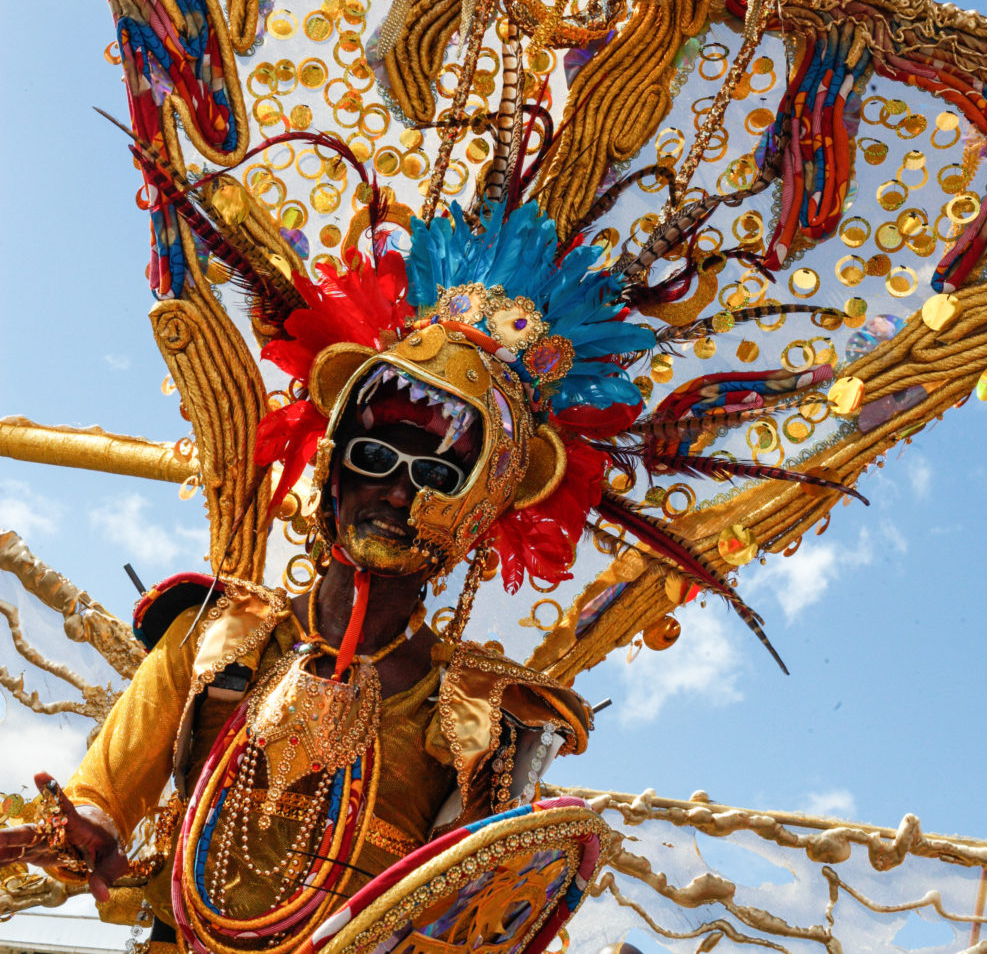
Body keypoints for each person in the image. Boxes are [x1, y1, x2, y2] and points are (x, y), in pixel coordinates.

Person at [0, 196, 653, 954]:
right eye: (376, 457)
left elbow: (463, 917)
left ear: (477, 507)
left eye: (437, 473)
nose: (398, 492)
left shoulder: (487, 715)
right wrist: (80, 832)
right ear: (335, 466)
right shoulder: (214, 633)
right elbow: (102, 801)